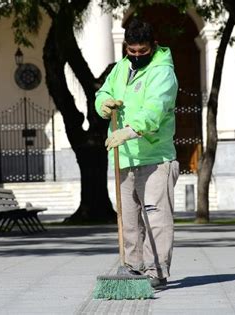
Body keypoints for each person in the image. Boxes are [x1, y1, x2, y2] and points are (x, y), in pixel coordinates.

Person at [95, 18, 179, 289]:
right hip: (124, 157)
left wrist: (128, 132)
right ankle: (133, 268)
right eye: (132, 52)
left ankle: (157, 271)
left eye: (142, 52)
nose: (137, 57)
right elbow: (104, 91)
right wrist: (103, 104)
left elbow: (153, 111)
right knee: (128, 218)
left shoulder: (163, 72)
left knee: (156, 216)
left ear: (153, 46)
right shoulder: (121, 68)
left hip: (155, 157)